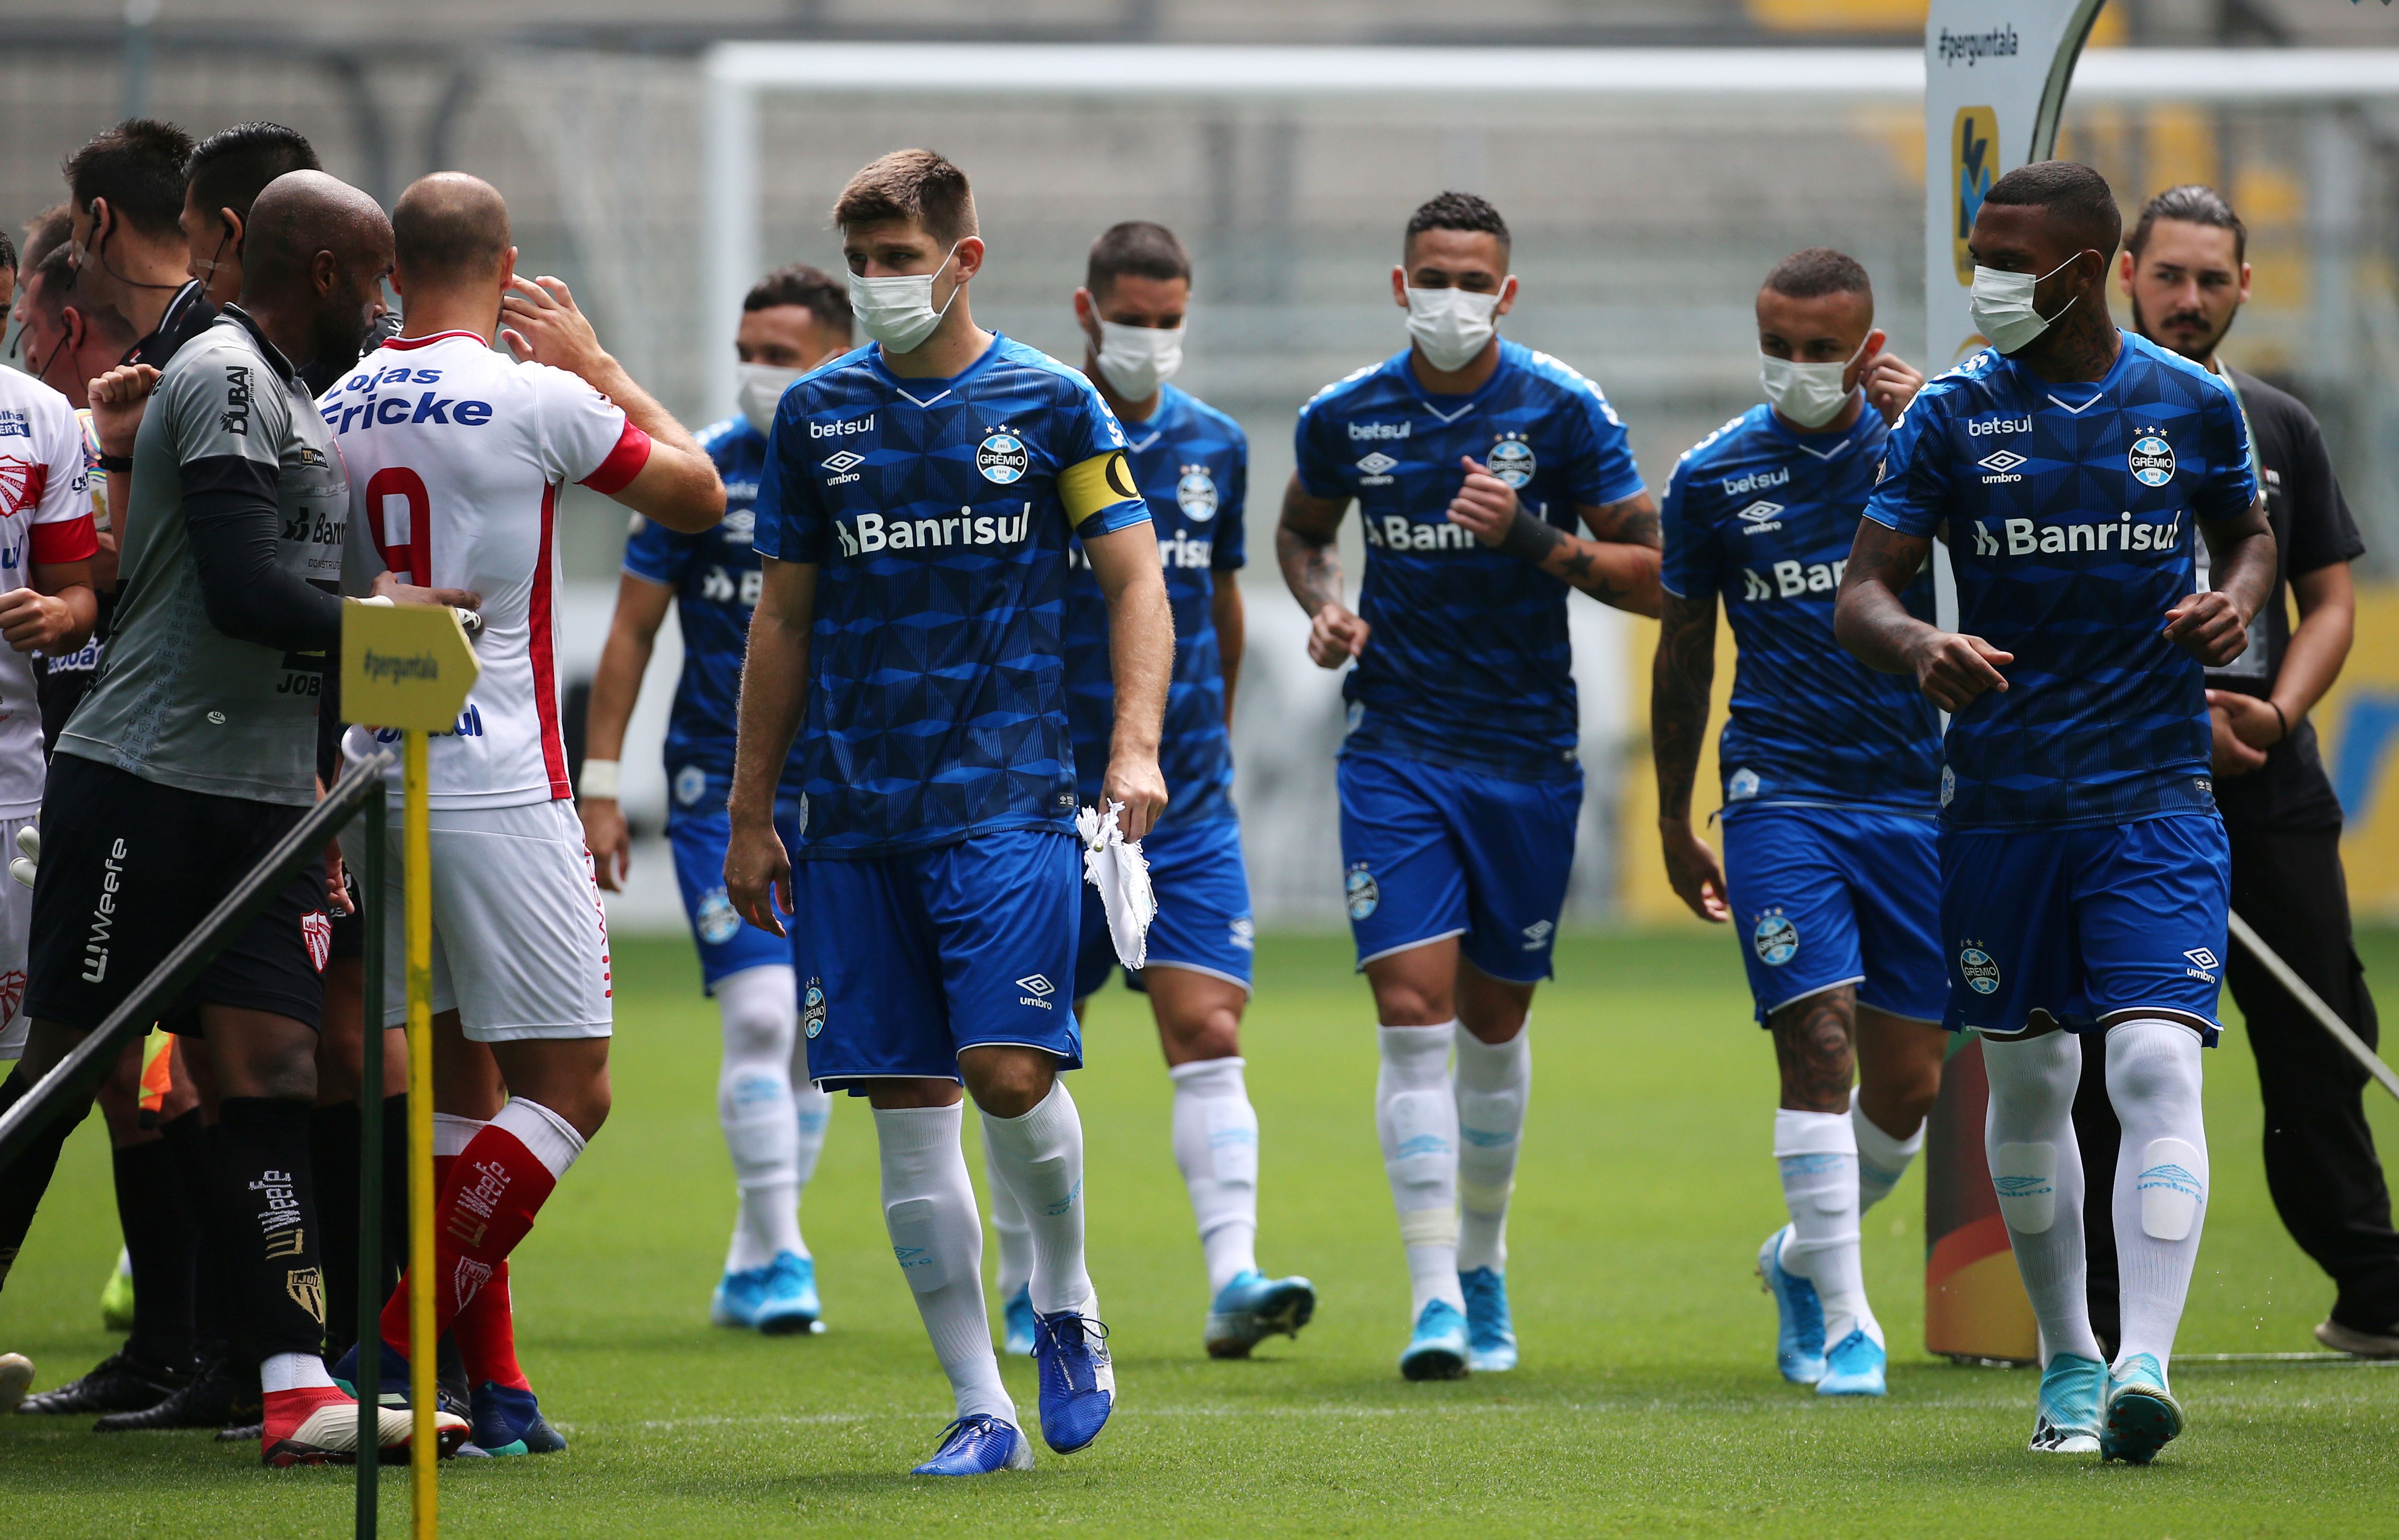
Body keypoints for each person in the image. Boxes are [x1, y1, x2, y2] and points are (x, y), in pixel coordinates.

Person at [0, 169, 472, 1465]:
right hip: (145, 780)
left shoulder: (299, 398)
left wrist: (324, 769)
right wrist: (396, 630)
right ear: (322, 270)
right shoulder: (220, 373)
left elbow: (303, 623)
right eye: (373, 280)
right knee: (65, 1070)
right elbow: (244, 591)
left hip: (263, 801)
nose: (383, 307)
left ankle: (293, 1384)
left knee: (272, 1071)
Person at [725, 148, 1168, 1477]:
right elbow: (783, 616)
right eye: (860, 263)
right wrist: (756, 812)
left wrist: (1132, 747)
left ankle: (1067, 1298)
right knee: (906, 1102)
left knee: (1008, 1069)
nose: (876, 285)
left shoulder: (1051, 402)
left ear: (963, 260)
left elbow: (1134, 582)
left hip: (1006, 801)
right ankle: (980, 1407)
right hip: (853, 815)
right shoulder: (814, 418)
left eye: (899, 261)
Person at [1836, 160, 2275, 1464]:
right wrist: (1917, 644)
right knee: (2031, 1076)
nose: (1983, 279)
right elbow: (1861, 591)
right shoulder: (1954, 413)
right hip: (2000, 805)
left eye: (2004, 259)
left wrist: (2238, 596)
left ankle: (2144, 1357)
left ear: (2080, 272)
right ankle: (2066, 1362)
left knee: (2149, 1061)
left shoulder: (2188, 404)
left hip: (2151, 792)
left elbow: (2246, 534)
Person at [323, 172, 724, 1460]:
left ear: (391, 273)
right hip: (500, 779)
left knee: (459, 1090)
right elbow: (701, 493)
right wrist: (601, 364)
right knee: (570, 1090)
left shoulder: (331, 404)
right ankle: (396, 1336)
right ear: (504, 267)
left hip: (375, 774)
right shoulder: (535, 393)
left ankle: (491, 1390)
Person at [1276, 191, 1658, 1381]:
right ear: (1401, 287)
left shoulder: (1560, 407)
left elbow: (1656, 574)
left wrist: (1533, 540)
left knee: (1494, 1023)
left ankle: (1481, 1263)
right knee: (1410, 1014)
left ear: (1504, 291)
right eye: (1429, 276)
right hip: (1396, 746)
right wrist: (1325, 604)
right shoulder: (1345, 414)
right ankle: (1434, 1295)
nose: (1449, 296)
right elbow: (1299, 532)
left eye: (1470, 278)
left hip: (1526, 755)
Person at [1600, 247, 1937, 1399]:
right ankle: (1849, 1320)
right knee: (1816, 1042)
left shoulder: (1929, 447)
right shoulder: (1710, 475)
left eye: (1818, 349)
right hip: (1777, 793)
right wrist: (1668, 815)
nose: (1795, 368)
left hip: (1915, 795)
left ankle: (1798, 1258)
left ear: (1866, 342)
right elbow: (1683, 650)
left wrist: (1932, 419)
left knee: (1906, 1090)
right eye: (1776, 346)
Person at [2070, 183, 2397, 1358]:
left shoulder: (2276, 423)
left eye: (2212, 279)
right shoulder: (2066, 419)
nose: (2190, 299)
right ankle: (2100, 1325)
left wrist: (2266, 711)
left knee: (2318, 1038)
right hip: (2112, 781)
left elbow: (2328, 601)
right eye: (2169, 276)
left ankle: (2371, 1291)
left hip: (2266, 783)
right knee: (2117, 1046)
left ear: (2243, 287)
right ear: (2125, 275)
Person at [992, 219, 1315, 1363]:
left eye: (1168, 320)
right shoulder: (1025, 431)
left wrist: (1203, 736)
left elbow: (1212, 598)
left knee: (1206, 1020)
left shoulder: (1214, 445)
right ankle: (1029, 1277)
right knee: (1023, 1044)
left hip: (1179, 796)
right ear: (1085, 311)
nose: (1148, 338)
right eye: (1130, 318)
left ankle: (1233, 1276)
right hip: (1041, 794)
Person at [580, 262, 852, 1335]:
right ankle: (784, 1252)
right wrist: (602, 785)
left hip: (841, 798)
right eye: (747, 354)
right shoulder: (703, 474)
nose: (755, 375)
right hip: (714, 792)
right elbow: (632, 632)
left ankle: (754, 1250)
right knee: (759, 1007)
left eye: (778, 358)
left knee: (810, 1037)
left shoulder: (870, 470)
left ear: (834, 359)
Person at [65, 119, 216, 370]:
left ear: (102, 220)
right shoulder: (143, 359)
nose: (71, 259)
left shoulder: (212, 332)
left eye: (74, 227)